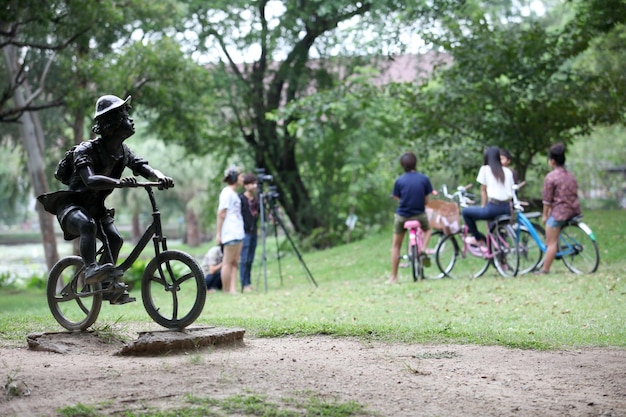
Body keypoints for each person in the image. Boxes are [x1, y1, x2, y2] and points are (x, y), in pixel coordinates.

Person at [38, 95, 174, 302]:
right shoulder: (86, 150)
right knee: (87, 225)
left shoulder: (123, 152)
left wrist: (159, 176)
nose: (131, 120)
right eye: (126, 116)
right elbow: (90, 180)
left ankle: (106, 286)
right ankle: (91, 269)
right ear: (113, 123)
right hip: (72, 206)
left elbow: (142, 167)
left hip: (96, 207)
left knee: (115, 239)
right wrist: (118, 183)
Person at [535, 143, 581, 275]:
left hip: (560, 213)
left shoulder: (551, 177)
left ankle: (545, 269)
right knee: (554, 237)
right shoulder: (570, 175)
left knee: (551, 242)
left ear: (552, 161)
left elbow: (547, 200)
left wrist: (544, 215)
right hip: (574, 210)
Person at [389, 152, 434, 284]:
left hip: (402, 216)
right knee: (427, 230)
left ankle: (394, 277)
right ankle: (423, 249)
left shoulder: (399, 181)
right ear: (416, 163)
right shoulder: (424, 179)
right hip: (419, 215)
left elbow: (397, 198)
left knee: (396, 245)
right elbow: (426, 201)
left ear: (402, 166)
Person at [462, 146, 515, 248]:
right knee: (496, 227)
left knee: (466, 212)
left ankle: (477, 238)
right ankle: (501, 255)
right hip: (507, 208)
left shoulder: (485, 169)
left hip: (493, 207)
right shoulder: (508, 171)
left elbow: (483, 190)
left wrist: (483, 205)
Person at [216, 166, 245, 294]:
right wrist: (219, 233)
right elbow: (221, 213)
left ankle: (233, 289)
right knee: (227, 262)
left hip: (238, 231)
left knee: (234, 262)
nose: (243, 179)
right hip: (230, 232)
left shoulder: (233, 193)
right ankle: (226, 290)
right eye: (241, 176)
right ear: (234, 177)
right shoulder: (226, 192)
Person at [239, 173, 259, 292]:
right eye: (251, 183)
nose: (254, 186)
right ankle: (244, 284)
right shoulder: (241, 199)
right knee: (245, 258)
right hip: (244, 232)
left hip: (254, 231)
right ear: (246, 185)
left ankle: (249, 282)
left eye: (254, 183)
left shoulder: (256, 199)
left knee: (251, 258)